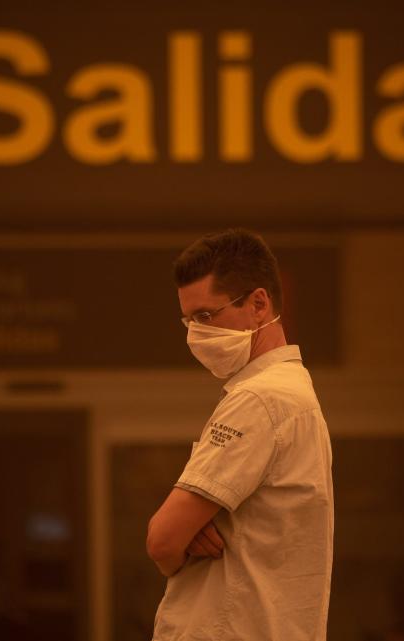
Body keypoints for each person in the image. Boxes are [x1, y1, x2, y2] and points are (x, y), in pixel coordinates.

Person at [146, 228, 335, 641]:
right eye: (188, 320)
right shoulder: (291, 394)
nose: (195, 334)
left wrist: (178, 542)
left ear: (259, 304)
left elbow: (161, 540)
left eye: (206, 316)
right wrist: (187, 530)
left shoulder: (261, 398)